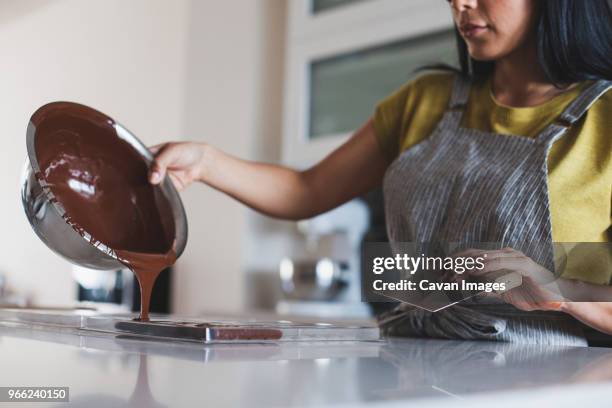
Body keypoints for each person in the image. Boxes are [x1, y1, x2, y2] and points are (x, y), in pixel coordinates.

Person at [149, 0, 612, 345]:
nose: (460, 4)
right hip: (407, 364)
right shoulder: (424, 100)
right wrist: (207, 162)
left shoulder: (604, 120)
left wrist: (561, 289)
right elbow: (305, 190)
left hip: (548, 387)